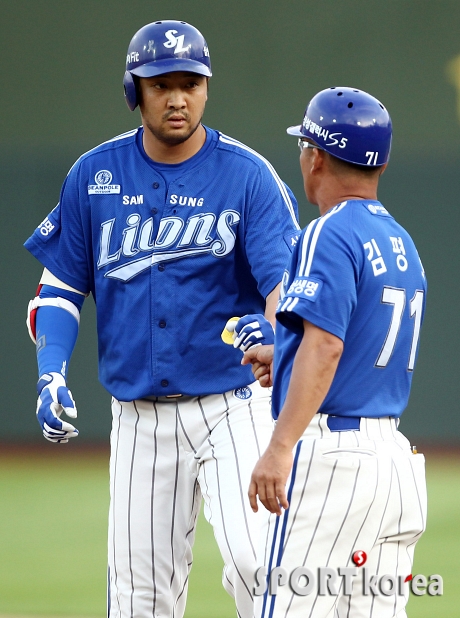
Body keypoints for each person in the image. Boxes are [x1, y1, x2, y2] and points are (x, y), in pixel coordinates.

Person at [24, 20, 300, 618]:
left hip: (234, 407)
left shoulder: (247, 175)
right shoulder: (93, 177)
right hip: (140, 419)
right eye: (161, 84)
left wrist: (279, 335)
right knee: (136, 602)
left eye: (190, 83)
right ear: (135, 91)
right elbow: (60, 290)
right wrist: (50, 372)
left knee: (261, 564)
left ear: (206, 88)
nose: (177, 98)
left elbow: (284, 282)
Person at [243, 87, 427, 617]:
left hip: (334, 460)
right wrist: (284, 358)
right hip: (394, 463)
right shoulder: (402, 243)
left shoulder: (329, 232)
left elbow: (325, 346)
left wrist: (280, 446)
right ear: (382, 162)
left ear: (316, 155)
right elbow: (356, 347)